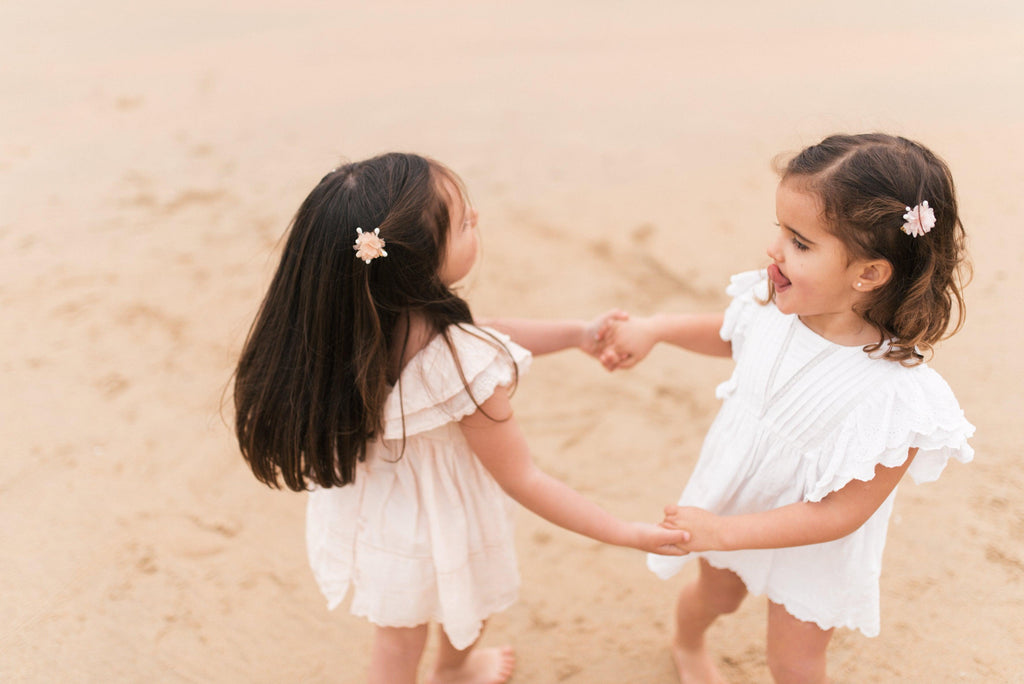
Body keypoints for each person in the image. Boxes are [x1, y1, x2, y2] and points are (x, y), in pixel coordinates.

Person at [232, 152, 688, 684]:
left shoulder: (350, 324)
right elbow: (523, 477)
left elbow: (488, 329)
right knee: (467, 594)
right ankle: (453, 672)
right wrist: (624, 532)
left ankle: (447, 671)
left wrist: (574, 334)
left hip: (384, 511)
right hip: (447, 513)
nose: (479, 222)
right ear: (418, 262)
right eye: (466, 222)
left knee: (398, 634)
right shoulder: (463, 365)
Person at [599, 134, 975, 684]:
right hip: (737, 498)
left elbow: (841, 514)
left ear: (868, 273)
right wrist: (655, 329)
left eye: (799, 242)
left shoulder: (899, 396)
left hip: (811, 545)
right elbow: (732, 334)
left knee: (795, 663)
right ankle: (687, 645)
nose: (775, 249)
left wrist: (725, 534)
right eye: (780, 229)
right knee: (715, 597)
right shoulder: (774, 304)